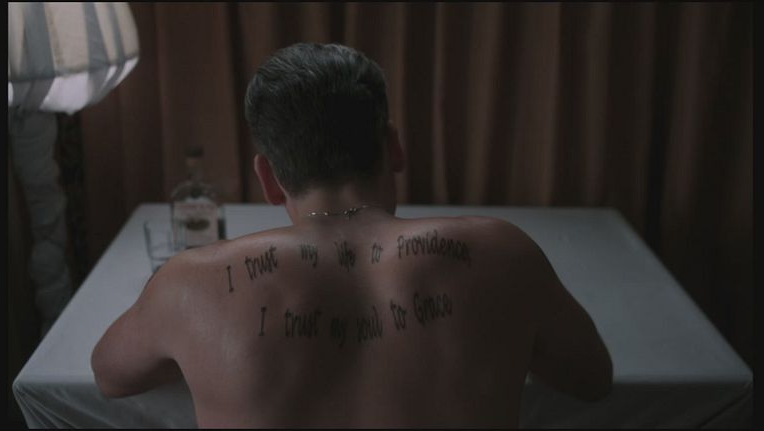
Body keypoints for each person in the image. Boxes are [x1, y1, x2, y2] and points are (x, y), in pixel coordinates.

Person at [91, 42, 612, 428]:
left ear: (268, 178)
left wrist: (209, 348)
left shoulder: (190, 284)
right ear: (394, 147)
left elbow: (109, 376)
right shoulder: (504, 254)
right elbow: (592, 378)